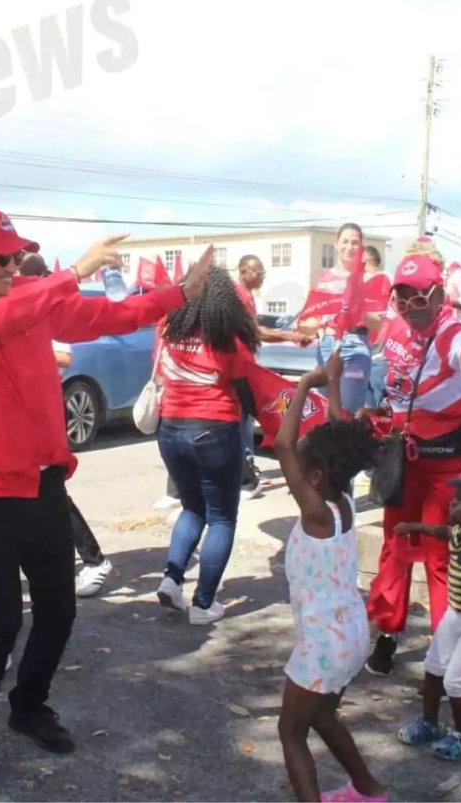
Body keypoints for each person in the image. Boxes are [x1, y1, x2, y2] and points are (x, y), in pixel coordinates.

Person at [0, 207, 210, 786]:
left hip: (40, 479)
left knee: (59, 608)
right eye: (1, 257)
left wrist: (174, 295)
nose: (12, 265)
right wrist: (69, 272)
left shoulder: (29, 294)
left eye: (17, 255)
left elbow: (104, 314)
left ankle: (28, 705)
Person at [362, 256, 461, 677]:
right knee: (395, 547)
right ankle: (388, 634)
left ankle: (446, 658)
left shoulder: (451, 331)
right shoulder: (396, 328)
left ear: (440, 296)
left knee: (439, 556)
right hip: (405, 461)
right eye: (401, 297)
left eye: (419, 297)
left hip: (450, 466)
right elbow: (398, 386)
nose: (409, 306)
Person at [273, 362, 386, 803]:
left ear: (315, 477)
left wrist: (304, 384)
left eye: (302, 467)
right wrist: (333, 382)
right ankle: (369, 790)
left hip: (324, 644)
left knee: (290, 731)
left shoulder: (317, 513)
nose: (294, 469)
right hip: (351, 635)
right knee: (322, 719)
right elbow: (339, 429)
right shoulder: (342, 502)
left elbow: (282, 444)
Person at [154, 266, 259, 625]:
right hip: (214, 431)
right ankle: (203, 604)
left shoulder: (168, 327)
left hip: (170, 430)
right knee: (222, 518)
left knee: (191, 508)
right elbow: (247, 390)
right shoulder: (228, 337)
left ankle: (172, 577)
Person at [21, 251, 116, 598]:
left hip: (45, 410)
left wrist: (23, 350)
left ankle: (93, 560)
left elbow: (65, 356)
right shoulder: (22, 306)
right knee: (35, 493)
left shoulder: (49, 307)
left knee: (50, 490)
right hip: (22, 409)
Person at [395, 462, 461, 762]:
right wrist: (411, 527)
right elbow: (437, 530)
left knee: (455, 681)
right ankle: (430, 723)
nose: (453, 502)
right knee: (433, 669)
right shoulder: (458, 533)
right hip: (455, 615)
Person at [236, 253, 310, 497]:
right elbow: (256, 332)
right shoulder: (240, 296)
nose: (262, 276)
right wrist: (291, 336)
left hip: (246, 363)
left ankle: (247, 469)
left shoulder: (246, 296)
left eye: (263, 271)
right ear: (244, 271)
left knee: (245, 419)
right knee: (247, 418)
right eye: (258, 271)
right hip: (241, 366)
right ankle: (245, 475)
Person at [315, 223, 381, 416]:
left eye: (354, 243)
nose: (349, 247)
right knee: (325, 412)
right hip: (326, 345)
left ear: (361, 246)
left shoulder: (370, 280)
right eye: (345, 241)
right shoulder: (324, 279)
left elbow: (377, 323)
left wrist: (358, 307)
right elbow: (314, 318)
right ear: (336, 244)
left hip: (355, 346)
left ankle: (348, 446)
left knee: (348, 412)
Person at [363, 246, 393, 409]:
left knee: (377, 392)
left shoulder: (381, 279)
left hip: (379, 349)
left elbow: (380, 315)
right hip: (366, 348)